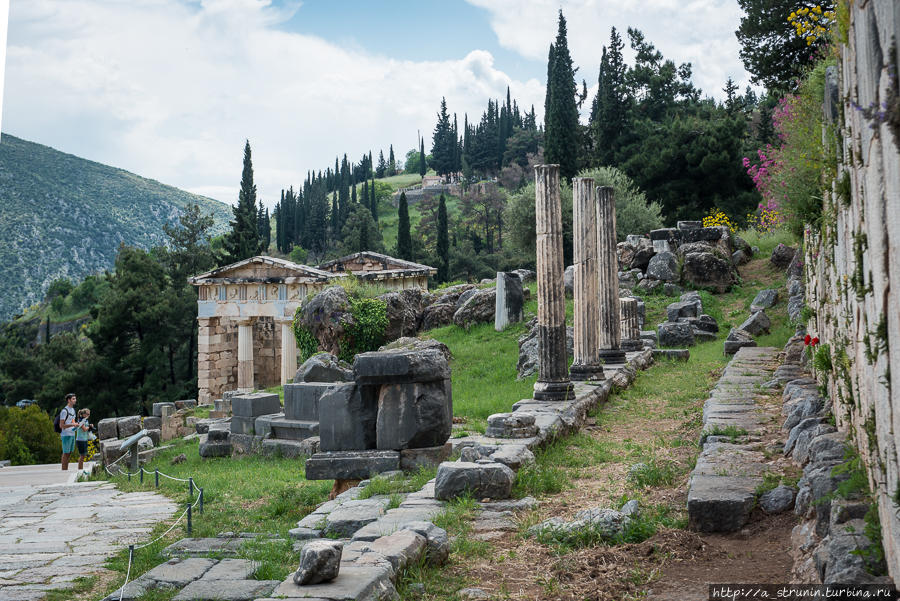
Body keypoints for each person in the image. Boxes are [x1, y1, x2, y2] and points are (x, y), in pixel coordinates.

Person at [58, 393, 77, 470]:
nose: (75, 400)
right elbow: (61, 425)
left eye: (75, 398)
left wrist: (75, 425)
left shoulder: (73, 410)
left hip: (72, 433)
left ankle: (66, 469)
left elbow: (72, 421)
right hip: (66, 435)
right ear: (69, 400)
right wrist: (72, 424)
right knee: (65, 453)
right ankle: (64, 470)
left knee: (69, 453)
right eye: (73, 399)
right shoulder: (64, 411)